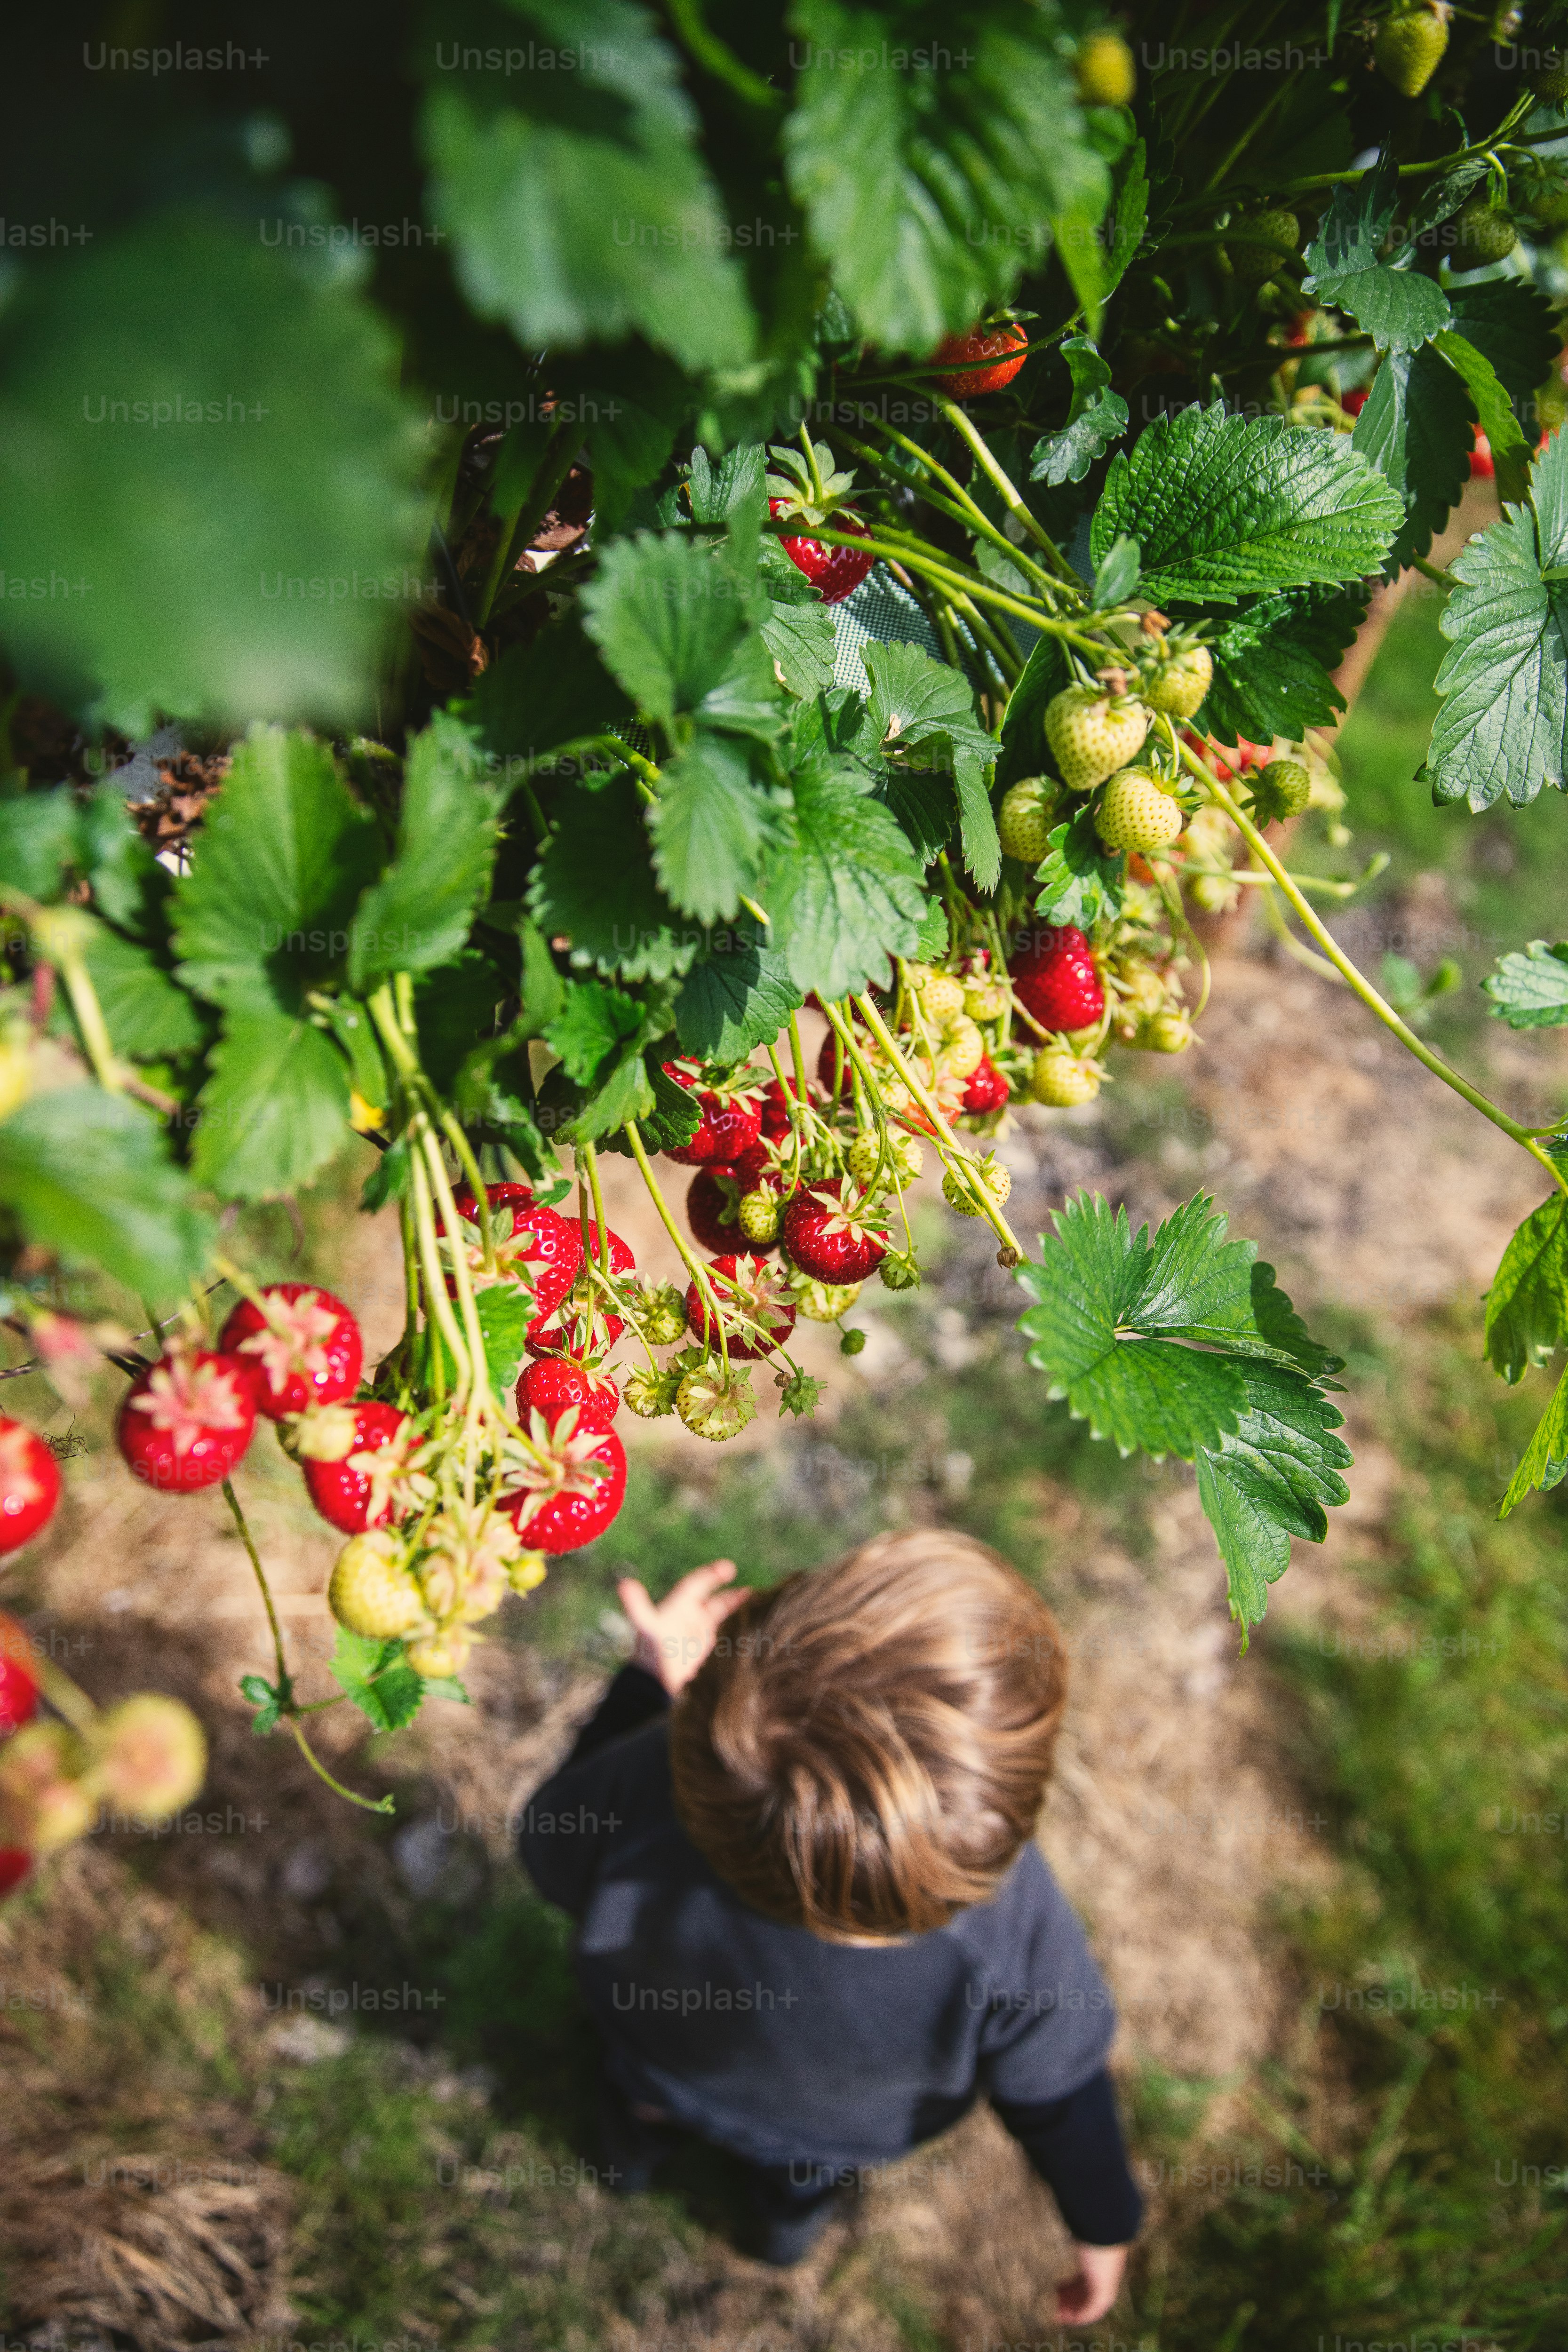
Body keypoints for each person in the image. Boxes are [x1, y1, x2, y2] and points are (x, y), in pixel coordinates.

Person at [517, 1530, 1141, 2318]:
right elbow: (1058, 2098)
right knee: (797, 2184)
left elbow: (548, 1853)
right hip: (831, 2135)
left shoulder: (652, 1774)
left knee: (637, 2098)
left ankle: (626, 2159)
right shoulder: (1011, 1931)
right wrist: (1104, 2223)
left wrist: (645, 1686)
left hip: (659, 2055)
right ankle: (780, 2239)